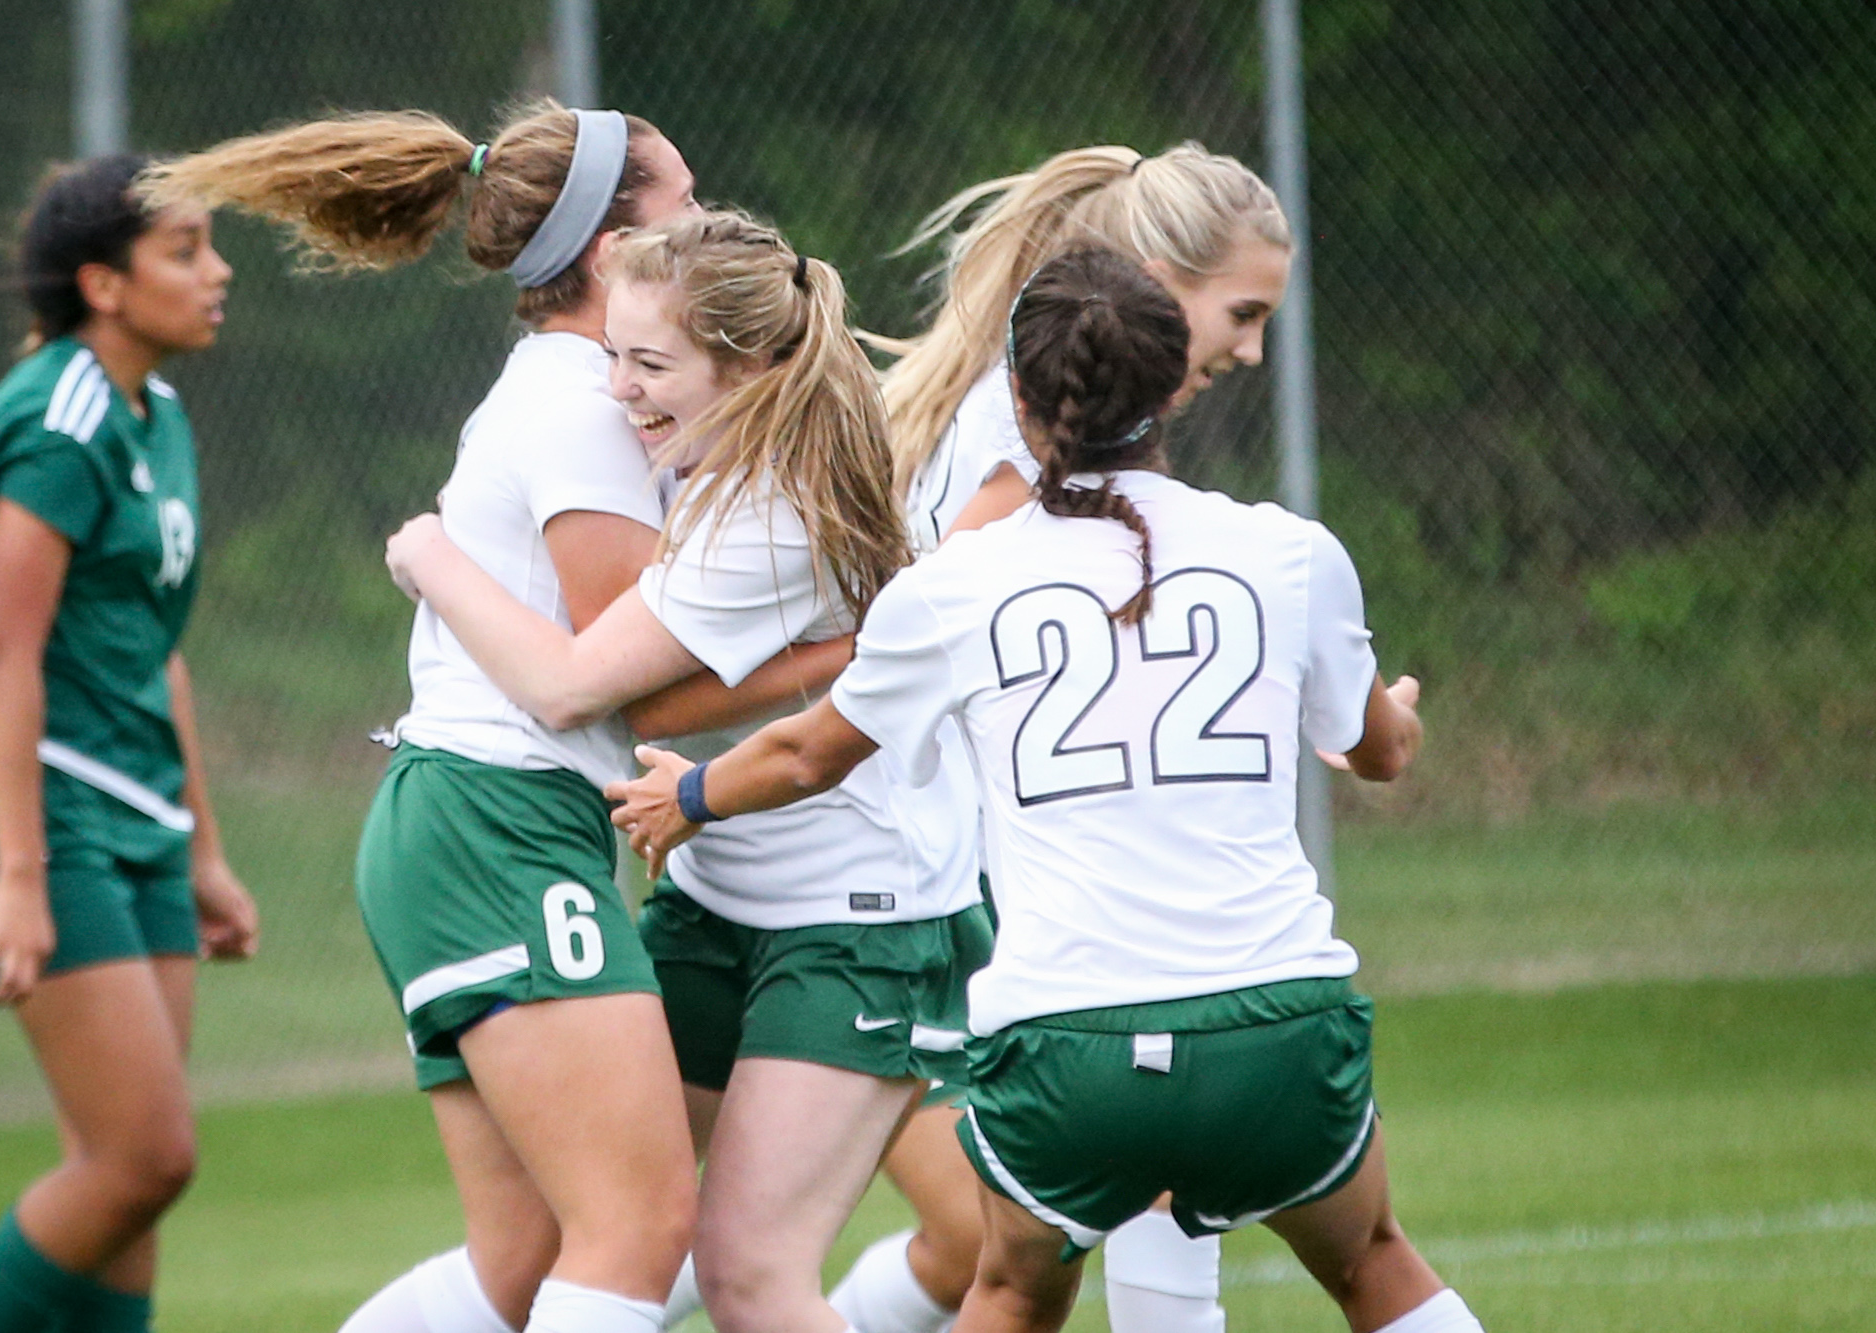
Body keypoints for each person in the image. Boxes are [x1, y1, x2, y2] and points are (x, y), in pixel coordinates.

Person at [608, 246, 1485, 1333]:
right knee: (1373, 1264)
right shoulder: (1287, 553)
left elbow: (806, 754)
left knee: (1011, 1291)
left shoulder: (953, 586)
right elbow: (1378, 751)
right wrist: (1391, 708)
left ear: (1014, 399)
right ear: (1171, 387)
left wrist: (690, 797)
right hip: (1272, 1020)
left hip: (1067, 1042)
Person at [143, 107, 844, 1333]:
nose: (701, 210)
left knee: (522, 1261)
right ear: (613, 245)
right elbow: (614, 673)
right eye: (679, 196)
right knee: (634, 1232)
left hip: (472, 816)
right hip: (496, 819)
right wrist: (852, 659)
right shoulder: (583, 403)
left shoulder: (584, 388)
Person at [384, 208, 987, 1333]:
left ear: (750, 363)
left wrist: (432, 558)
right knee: (590, 1234)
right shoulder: (717, 462)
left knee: (745, 1273)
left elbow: (583, 689)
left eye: (650, 362)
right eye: (611, 353)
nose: (618, 390)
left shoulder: (771, 511)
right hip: (718, 898)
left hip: (852, 926)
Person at [832, 141, 1296, 1333]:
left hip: (937, 868)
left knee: (963, 1242)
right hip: (936, 876)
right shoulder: (1031, 436)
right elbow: (946, 615)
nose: (1247, 349)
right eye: (1237, 313)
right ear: (1149, 282)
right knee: (695, 1230)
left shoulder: (1029, 400)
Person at [0, 153, 259, 1333]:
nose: (219, 270)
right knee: (144, 1158)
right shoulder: (61, 419)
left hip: (138, 813)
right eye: (187, 249)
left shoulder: (161, 409)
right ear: (103, 283)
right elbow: (4, 654)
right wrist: (19, 873)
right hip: (42, 814)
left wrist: (201, 849)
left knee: (124, 1186)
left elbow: (156, 648)